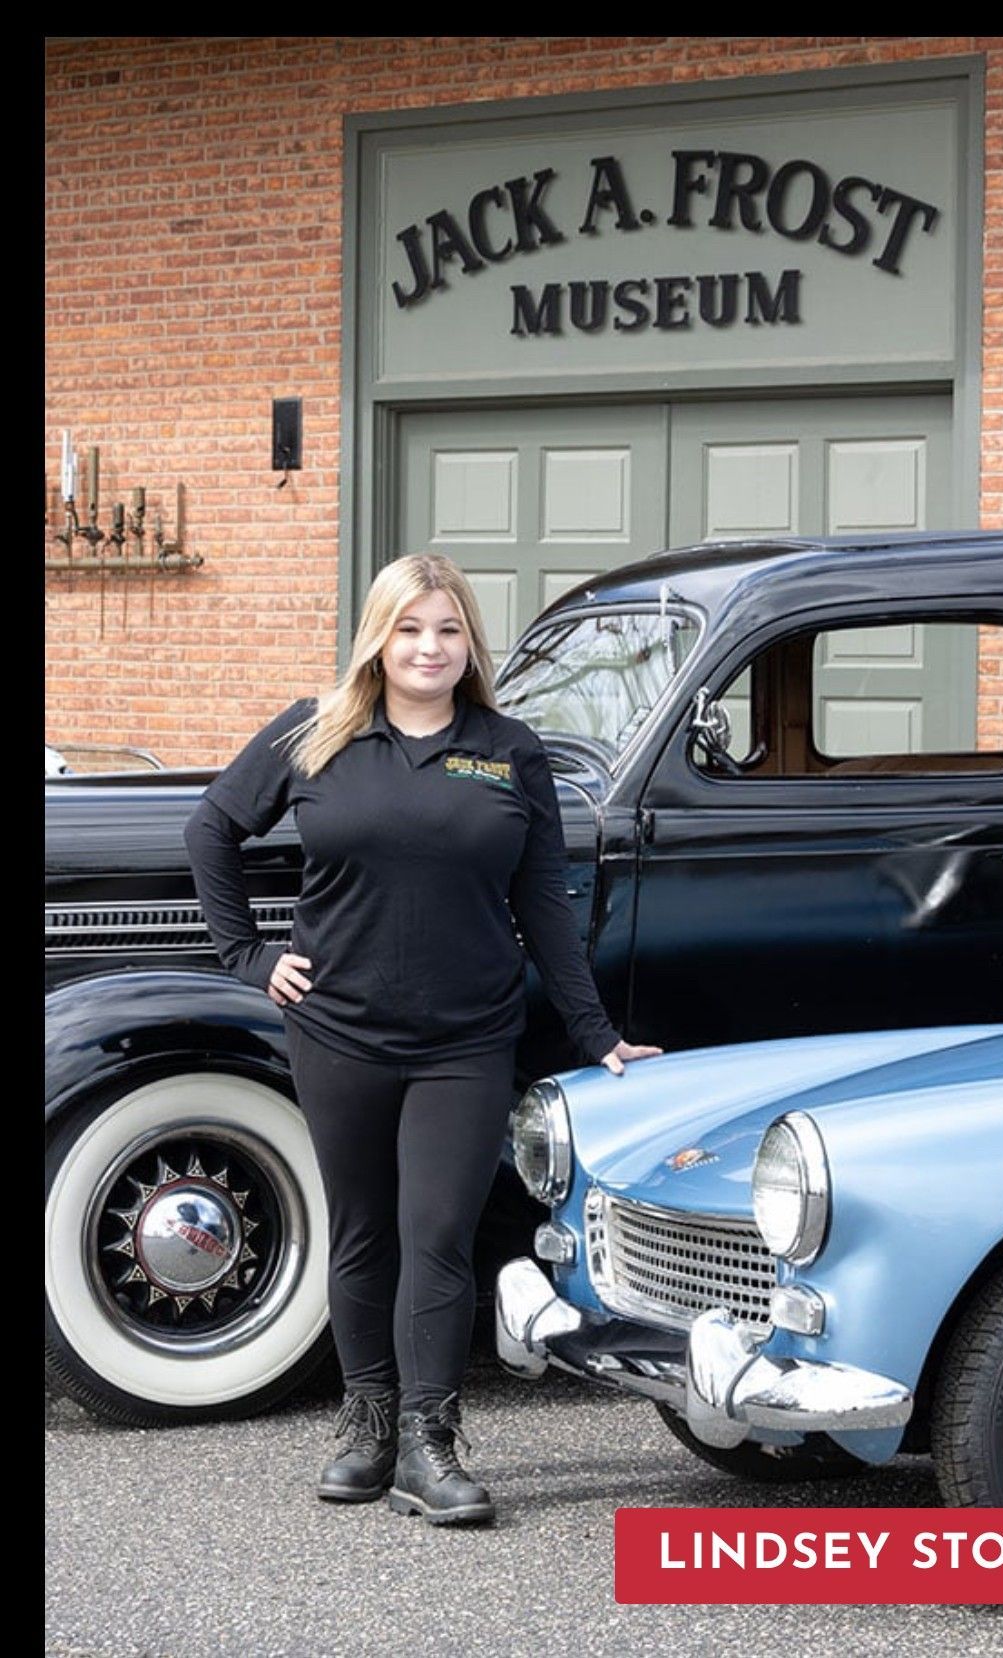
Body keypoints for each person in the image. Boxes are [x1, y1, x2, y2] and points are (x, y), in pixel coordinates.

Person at [184, 553, 661, 1527]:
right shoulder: (315, 731)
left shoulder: (510, 750)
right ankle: (366, 1424)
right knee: (361, 1232)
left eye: (446, 629)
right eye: (409, 629)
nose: (428, 647)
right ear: (379, 638)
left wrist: (596, 1033)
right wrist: (245, 954)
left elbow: (545, 909)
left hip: (466, 1038)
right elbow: (212, 828)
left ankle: (429, 1440)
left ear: (468, 643)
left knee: (435, 1236)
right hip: (339, 1031)